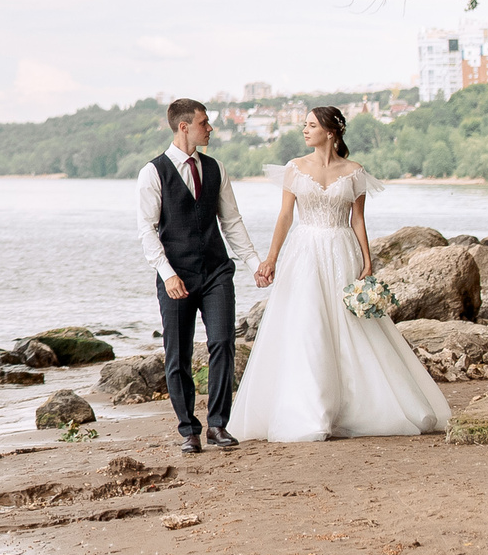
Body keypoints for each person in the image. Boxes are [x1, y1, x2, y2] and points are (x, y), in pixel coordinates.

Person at [224, 106, 449, 442]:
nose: (304, 130)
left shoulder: (354, 172)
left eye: (311, 125)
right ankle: (311, 411)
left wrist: (368, 261)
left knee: (351, 328)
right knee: (307, 325)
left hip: (342, 250)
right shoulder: (295, 169)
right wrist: (270, 258)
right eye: (304, 125)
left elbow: (358, 219)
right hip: (305, 251)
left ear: (331, 131)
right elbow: (285, 216)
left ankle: (357, 407)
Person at [134, 98, 258, 455]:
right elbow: (147, 231)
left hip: (217, 270)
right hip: (177, 275)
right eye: (205, 123)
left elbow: (231, 222)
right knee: (178, 355)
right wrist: (168, 275)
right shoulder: (153, 172)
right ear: (184, 126)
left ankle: (218, 424)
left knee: (223, 343)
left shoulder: (216, 168)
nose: (210, 128)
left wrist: (253, 264)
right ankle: (188, 428)